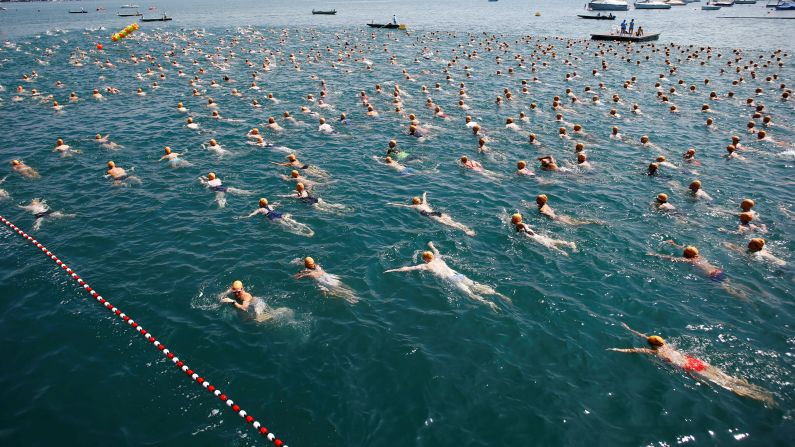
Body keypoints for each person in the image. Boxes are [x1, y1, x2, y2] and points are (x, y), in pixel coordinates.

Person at [609, 323, 774, 406]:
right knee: (726, 377)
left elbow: (635, 350)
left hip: (688, 367)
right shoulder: (665, 346)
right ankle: (753, 388)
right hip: (696, 362)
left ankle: (757, 396)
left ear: (652, 345)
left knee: (724, 384)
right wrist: (629, 329)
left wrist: (617, 349)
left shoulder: (656, 352)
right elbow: (644, 336)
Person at [384, 242, 510, 311]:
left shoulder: (427, 266)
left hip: (451, 280)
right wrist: (431, 245)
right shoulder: (438, 259)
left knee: (470, 295)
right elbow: (437, 252)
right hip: (458, 275)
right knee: (475, 285)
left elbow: (409, 268)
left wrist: (393, 270)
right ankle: (497, 294)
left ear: (425, 260)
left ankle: (488, 303)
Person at [648, 242, 750, 300]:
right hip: (718, 271)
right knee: (732, 283)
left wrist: (656, 255)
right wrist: (674, 244)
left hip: (712, 276)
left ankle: (745, 299)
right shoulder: (699, 256)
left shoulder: (689, 260)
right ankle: (753, 291)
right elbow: (686, 248)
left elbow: (671, 258)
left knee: (727, 288)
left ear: (685, 255)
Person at [387, 192, 476, 236]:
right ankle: (465, 228)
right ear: (420, 201)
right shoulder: (424, 203)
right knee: (451, 221)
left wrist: (392, 204)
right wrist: (424, 194)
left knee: (448, 224)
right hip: (436, 213)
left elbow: (403, 205)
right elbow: (425, 198)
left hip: (429, 215)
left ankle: (466, 231)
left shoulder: (414, 206)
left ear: (414, 203)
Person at [294, 257, 358, 303]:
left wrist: (298, 273)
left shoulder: (310, 273)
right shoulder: (318, 267)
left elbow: (297, 277)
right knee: (346, 289)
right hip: (331, 278)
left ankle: (352, 299)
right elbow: (311, 264)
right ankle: (356, 295)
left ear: (305, 265)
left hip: (325, 283)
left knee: (341, 294)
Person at [511, 213, 576, 255]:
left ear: (514, 220)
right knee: (550, 241)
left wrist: (526, 230)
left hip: (532, 236)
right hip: (534, 234)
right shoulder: (520, 223)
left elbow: (522, 225)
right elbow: (523, 225)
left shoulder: (518, 224)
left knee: (548, 245)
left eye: (512, 219)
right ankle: (568, 244)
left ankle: (562, 252)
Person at [244, 198, 314, 237]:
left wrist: (245, 217)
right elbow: (275, 204)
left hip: (272, 216)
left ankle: (300, 232)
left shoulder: (260, 209)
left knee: (287, 225)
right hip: (278, 213)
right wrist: (278, 202)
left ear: (260, 204)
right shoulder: (270, 206)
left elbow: (252, 214)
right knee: (290, 221)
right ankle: (304, 227)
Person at [536, 194, 602, 225]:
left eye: (537, 199)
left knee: (575, 224)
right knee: (575, 222)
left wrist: (541, 213)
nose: (536, 200)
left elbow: (544, 212)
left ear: (541, 201)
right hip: (558, 216)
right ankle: (592, 222)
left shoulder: (542, 209)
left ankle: (591, 222)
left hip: (555, 219)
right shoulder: (545, 205)